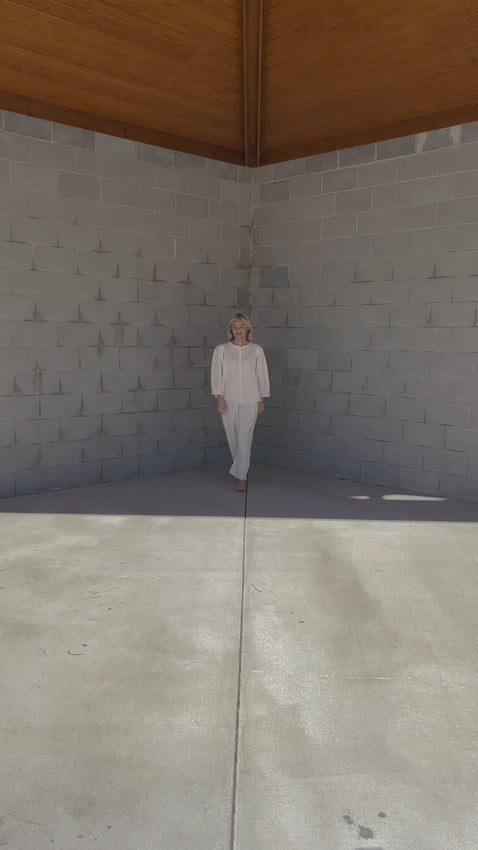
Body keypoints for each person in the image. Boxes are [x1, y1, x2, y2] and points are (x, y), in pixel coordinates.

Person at [211, 313, 270, 492]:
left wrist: (261, 400)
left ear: (247, 329)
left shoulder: (256, 350)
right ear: (231, 330)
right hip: (228, 400)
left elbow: (261, 376)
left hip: (251, 400)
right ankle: (241, 470)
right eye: (234, 327)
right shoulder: (221, 350)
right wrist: (219, 399)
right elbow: (217, 375)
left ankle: (241, 477)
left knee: (245, 438)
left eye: (241, 326)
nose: (238, 330)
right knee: (233, 438)